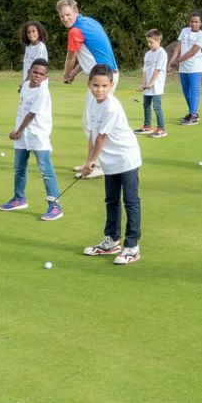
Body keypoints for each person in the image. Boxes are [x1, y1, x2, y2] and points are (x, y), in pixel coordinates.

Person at [80, 65, 144, 265]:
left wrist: (92, 161)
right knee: (111, 200)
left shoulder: (111, 106)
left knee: (131, 201)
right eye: (95, 85)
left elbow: (102, 137)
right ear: (89, 84)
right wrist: (88, 160)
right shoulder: (92, 102)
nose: (99, 89)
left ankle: (132, 246)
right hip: (110, 161)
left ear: (111, 85)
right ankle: (112, 240)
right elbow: (91, 134)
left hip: (126, 158)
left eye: (104, 86)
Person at [0, 58, 62, 220]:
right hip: (22, 135)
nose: (37, 76)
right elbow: (22, 110)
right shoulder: (26, 86)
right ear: (29, 72)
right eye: (35, 72)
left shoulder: (43, 92)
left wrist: (17, 131)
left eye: (41, 74)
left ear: (46, 77)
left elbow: (31, 114)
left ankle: (55, 206)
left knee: (46, 171)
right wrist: (18, 131)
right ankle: (19, 198)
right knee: (19, 168)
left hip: (38, 135)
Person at [56, 0, 118, 87]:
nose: (65, 19)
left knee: (100, 101)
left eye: (68, 15)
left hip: (102, 76)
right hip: (109, 74)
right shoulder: (90, 21)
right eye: (62, 16)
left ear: (76, 12)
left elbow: (70, 58)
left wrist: (66, 75)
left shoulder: (75, 31)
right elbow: (88, 57)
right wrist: (72, 74)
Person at [168, 10, 202, 125]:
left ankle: (193, 115)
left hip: (195, 67)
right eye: (191, 21)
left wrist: (176, 61)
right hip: (183, 67)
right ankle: (192, 113)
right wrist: (171, 61)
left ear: (201, 23)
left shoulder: (201, 36)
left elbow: (191, 52)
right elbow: (178, 48)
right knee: (186, 90)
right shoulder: (184, 31)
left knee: (194, 90)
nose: (193, 24)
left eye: (196, 22)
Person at [139, 29, 168, 136]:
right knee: (146, 105)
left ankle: (162, 129)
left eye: (151, 42)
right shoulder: (147, 54)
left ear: (158, 40)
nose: (149, 44)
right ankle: (147, 126)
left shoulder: (162, 53)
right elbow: (145, 70)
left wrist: (151, 83)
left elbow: (157, 70)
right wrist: (143, 84)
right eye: (148, 42)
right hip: (148, 86)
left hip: (157, 86)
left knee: (156, 106)